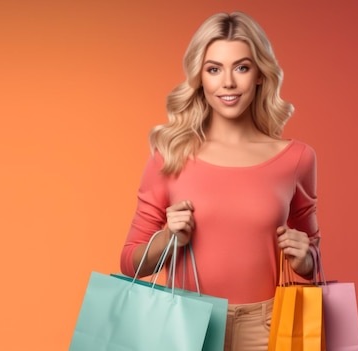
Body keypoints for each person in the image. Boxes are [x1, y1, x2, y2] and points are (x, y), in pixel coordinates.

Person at [120, 11, 321, 351]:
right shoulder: (170, 155)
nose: (227, 82)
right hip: (186, 327)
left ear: (259, 74)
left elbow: (311, 254)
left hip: (268, 329)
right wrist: (169, 238)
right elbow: (130, 263)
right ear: (200, 77)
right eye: (214, 69)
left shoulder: (296, 159)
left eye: (241, 67)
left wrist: (305, 260)